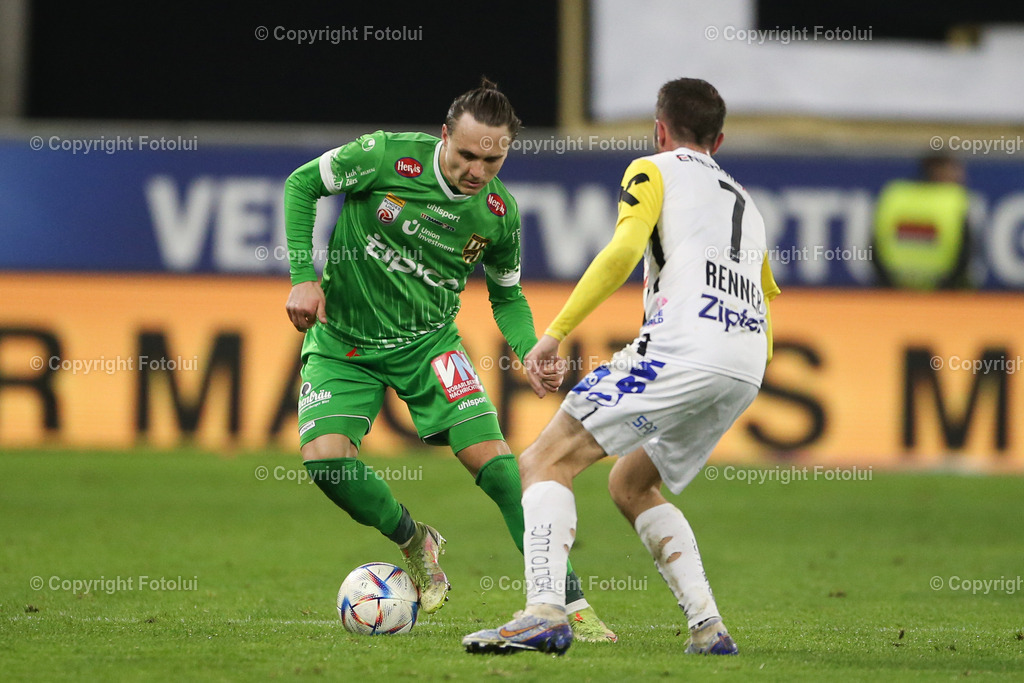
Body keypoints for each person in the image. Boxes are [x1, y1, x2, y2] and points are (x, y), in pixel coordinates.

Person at [282, 78, 615, 641]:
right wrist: (302, 278)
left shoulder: (498, 214)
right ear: (444, 136)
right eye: (466, 154)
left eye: (493, 157)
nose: (478, 170)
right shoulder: (383, 156)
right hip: (345, 343)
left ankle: (571, 604)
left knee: (504, 473)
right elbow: (301, 185)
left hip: (430, 346)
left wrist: (528, 346)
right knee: (326, 464)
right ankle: (414, 539)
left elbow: (507, 297)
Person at [463, 77, 780, 656]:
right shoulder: (747, 204)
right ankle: (708, 627)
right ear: (721, 138)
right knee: (631, 484)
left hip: (685, 347)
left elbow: (623, 252)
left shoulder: (652, 168)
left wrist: (554, 335)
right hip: (745, 362)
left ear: (660, 129)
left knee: (541, 461)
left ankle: (543, 611)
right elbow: (764, 293)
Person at [872, 153, 972, 289]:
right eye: (953, 169)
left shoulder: (894, 195)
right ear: (937, 170)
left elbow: (874, 246)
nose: (961, 175)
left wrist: (888, 285)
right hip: (943, 296)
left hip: (892, 292)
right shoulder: (953, 201)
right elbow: (965, 252)